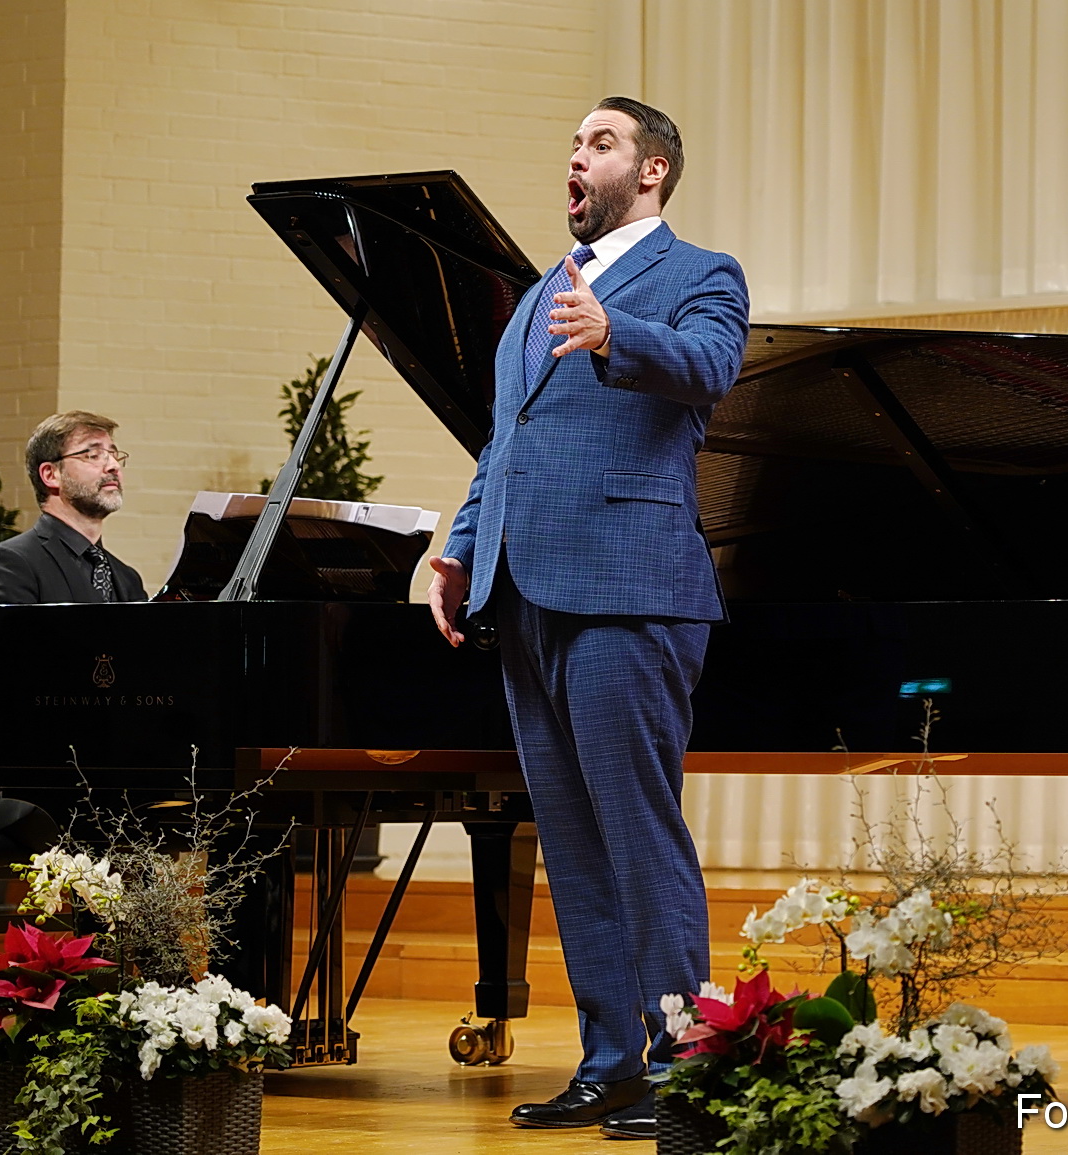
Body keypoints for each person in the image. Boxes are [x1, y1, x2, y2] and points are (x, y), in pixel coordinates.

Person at [427, 97, 749, 1140]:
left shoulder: (702, 274)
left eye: (599, 143)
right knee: (570, 842)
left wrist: (619, 334)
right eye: (571, 143)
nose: (575, 157)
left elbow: (711, 369)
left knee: (637, 835)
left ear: (650, 171)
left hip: (628, 590)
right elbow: (503, 444)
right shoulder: (533, 299)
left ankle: (681, 1063)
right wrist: (461, 545)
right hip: (523, 594)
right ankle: (610, 1061)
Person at [0, 411, 146, 847]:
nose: (112, 465)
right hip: (21, 775)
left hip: (103, 775)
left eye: (114, 454)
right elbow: (15, 670)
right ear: (51, 475)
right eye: (92, 454)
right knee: (117, 821)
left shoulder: (127, 579)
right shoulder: (11, 562)